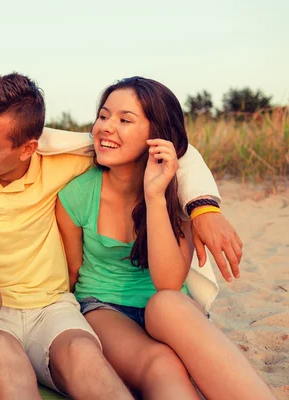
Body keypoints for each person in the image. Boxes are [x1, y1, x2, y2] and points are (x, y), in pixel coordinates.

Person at [0, 72, 244, 399]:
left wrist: (204, 207)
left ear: (28, 148)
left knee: (100, 348)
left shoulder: (67, 163)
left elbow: (179, 153)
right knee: (4, 359)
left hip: (54, 308)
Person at [56, 76, 275, 400]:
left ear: (155, 134)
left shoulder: (179, 191)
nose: (106, 127)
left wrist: (155, 196)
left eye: (124, 120)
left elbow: (169, 282)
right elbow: (72, 274)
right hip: (103, 306)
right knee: (163, 363)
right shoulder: (76, 195)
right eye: (103, 116)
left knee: (167, 302)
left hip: (168, 306)